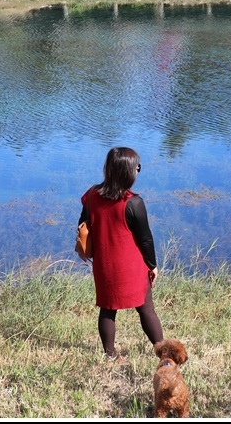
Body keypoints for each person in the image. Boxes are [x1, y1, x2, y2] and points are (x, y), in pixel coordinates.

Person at [79, 147, 164, 363]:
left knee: (107, 310)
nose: (138, 170)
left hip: (104, 265)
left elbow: (83, 224)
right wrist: (152, 265)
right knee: (146, 309)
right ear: (128, 172)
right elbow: (146, 239)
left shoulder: (91, 195)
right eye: (137, 167)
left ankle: (110, 354)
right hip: (132, 267)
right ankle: (163, 353)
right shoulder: (133, 203)